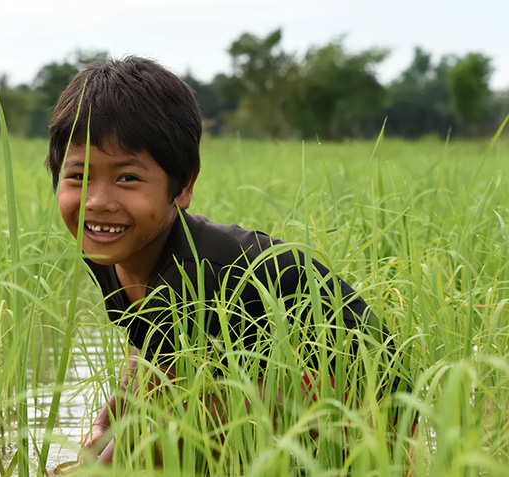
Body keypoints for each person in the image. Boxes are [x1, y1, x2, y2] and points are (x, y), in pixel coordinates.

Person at [45, 56, 411, 467]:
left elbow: (172, 414)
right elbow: (148, 346)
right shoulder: (111, 251)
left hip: (370, 410)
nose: (97, 202)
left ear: (183, 186)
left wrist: (99, 466)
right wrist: (106, 422)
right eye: (79, 176)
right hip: (280, 393)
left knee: (189, 421)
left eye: (127, 178)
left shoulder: (199, 269)